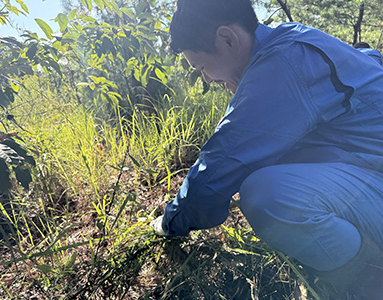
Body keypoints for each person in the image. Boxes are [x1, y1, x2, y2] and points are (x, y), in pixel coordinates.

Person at [151, 0, 383, 298]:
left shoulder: (282, 64)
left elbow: (221, 163)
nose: (207, 78)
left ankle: (369, 282)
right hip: (366, 171)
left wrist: (169, 222)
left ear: (227, 38)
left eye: (202, 66)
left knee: (269, 195)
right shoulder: (292, 39)